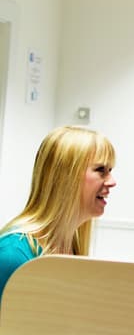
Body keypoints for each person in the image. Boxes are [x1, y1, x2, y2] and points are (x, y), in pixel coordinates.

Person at [0, 126, 116, 304]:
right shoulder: (13, 253)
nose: (112, 181)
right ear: (66, 176)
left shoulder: (71, 244)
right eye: (101, 170)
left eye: (110, 170)